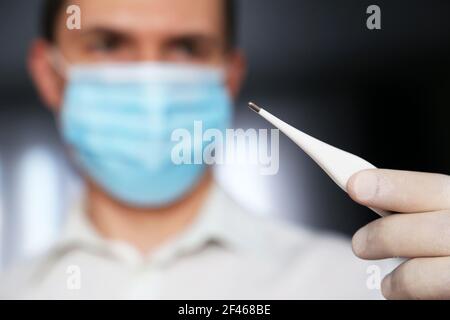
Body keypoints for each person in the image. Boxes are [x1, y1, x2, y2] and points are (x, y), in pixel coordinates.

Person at [1, 0, 449, 300]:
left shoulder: (368, 286)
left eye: (186, 47)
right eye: (107, 44)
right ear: (48, 74)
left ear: (230, 77)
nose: (151, 82)